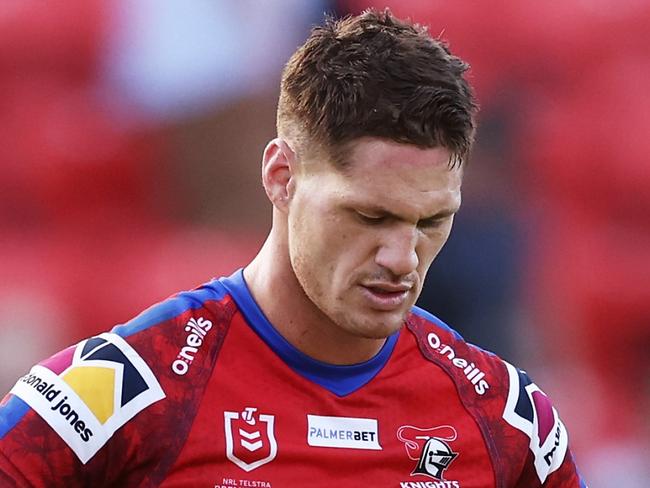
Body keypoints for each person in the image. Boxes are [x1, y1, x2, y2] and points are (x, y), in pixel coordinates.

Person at [0, 9, 587, 487]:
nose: (402, 258)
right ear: (282, 176)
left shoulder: (507, 421)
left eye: (432, 221)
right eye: (369, 215)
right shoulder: (134, 390)